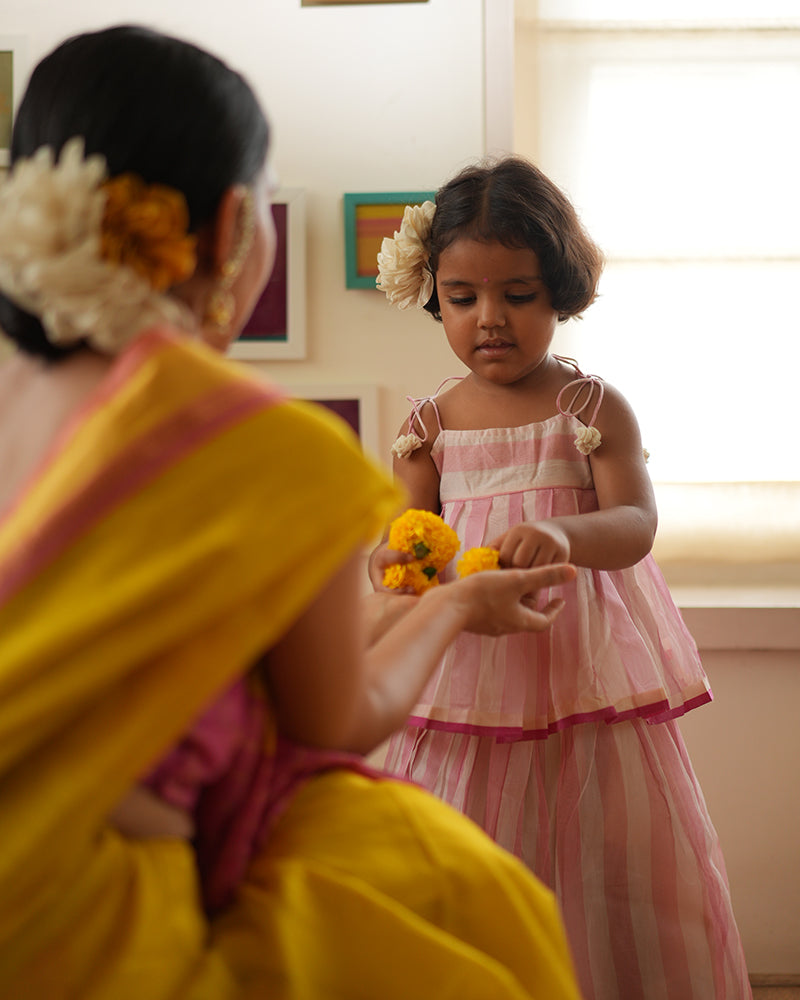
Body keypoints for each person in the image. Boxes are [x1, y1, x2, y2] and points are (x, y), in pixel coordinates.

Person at [0, 26, 588, 1000]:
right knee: (475, 905)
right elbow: (335, 720)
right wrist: (449, 608)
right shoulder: (260, 446)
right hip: (86, 918)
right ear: (236, 223)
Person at [372, 156, 753, 1000]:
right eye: (464, 298)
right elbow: (410, 533)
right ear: (434, 294)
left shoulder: (590, 409)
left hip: (584, 673)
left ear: (560, 293)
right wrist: (391, 558)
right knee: (465, 846)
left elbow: (634, 526)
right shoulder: (427, 426)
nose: (490, 319)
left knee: (604, 851)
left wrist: (560, 530)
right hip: (468, 677)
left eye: (519, 294)